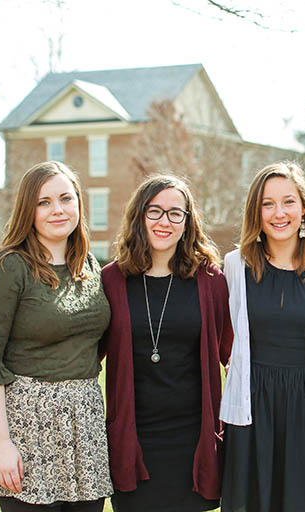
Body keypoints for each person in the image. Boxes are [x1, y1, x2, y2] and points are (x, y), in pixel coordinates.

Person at [0, 161, 112, 512]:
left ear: (79, 203)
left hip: (83, 424)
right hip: (25, 424)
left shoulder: (88, 265)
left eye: (65, 198)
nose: (57, 210)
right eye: (43, 202)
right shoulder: (5, 268)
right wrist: (1, 442)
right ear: (27, 210)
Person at [100, 175, 233, 511]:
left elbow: (234, 354)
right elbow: (86, 351)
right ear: (138, 216)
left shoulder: (211, 281)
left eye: (176, 213)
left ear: (188, 222)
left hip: (193, 439)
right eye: (155, 211)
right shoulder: (112, 280)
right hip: (133, 436)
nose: (165, 221)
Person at [220, 161, 305, 512]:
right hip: (251, 407)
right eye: (267, 204)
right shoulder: (234, 266)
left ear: (303, 208)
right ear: (256, 212)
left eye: (288, 201)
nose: (279, 213)